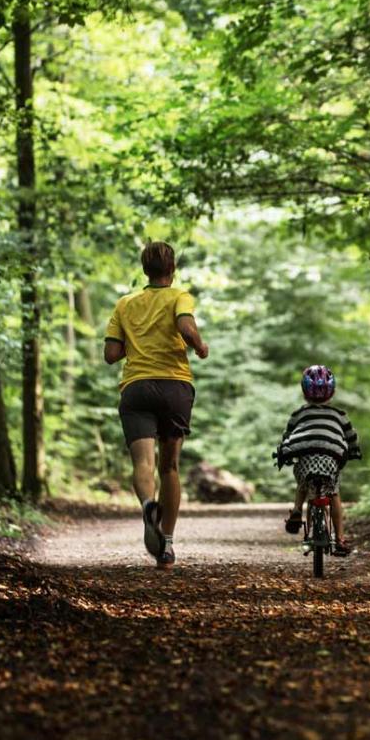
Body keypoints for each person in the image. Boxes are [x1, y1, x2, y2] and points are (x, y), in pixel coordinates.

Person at [104, 241, 209, 568]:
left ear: (144, 269)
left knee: (143, 464)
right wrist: (200, 345)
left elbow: (111, 354)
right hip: (174, 388)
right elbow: (185, 325)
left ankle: (148, 503)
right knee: (170, 466)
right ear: (172, 269)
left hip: (136, 388)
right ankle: (166, 545)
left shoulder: (125, 303)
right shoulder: (180, 296)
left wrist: (137, 340)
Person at [274, 365, 361, 556]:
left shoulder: (299, 414)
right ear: (333, 392)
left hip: (305, 458)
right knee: (334, 494)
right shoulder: (340, 415)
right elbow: (351, 437)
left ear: (304, 392)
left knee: (303, 483)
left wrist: (283, 453)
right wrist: (354, 451)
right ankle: (340, 539)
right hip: (331, 459)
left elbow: (287, 436)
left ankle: (297, 509)